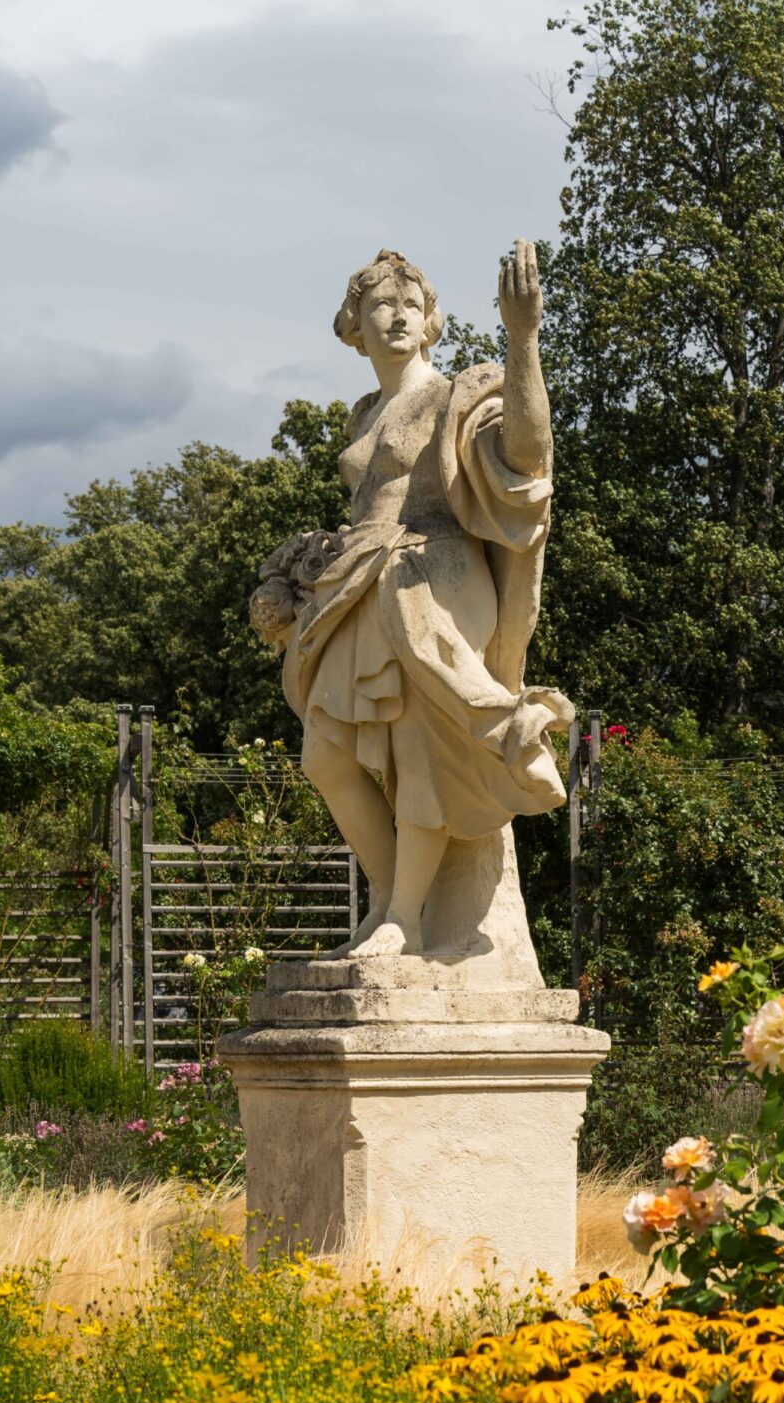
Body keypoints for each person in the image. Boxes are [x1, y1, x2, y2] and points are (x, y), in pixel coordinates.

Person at [250, 242, 571, 957]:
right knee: (325, 757)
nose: (397, 316)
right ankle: (394, 903)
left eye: (411, 305)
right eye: (380, 306)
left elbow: (526, 456)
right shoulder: (365, 414)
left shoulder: (456, 394)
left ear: (430, 322)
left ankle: (403, 916)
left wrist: (523, 339)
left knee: (420, 748)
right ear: (353, 325)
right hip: (364, 582)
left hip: (436, 574)